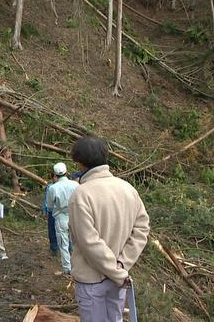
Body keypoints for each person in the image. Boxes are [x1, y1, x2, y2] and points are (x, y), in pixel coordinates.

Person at [68, 137, 150, 322]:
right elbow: (142, 229)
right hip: (118, 278)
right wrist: (122, 264)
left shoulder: (81, 195)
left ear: (79, 162)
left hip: (92, 280)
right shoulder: (128, 189)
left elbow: (89, 242)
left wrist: (115, 269)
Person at [47, 162, 79, 274]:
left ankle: (67, 267)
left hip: (61, 216)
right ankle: (78, 265)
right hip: (75, 215)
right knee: (76, 242)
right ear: (66, 172)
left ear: (55, 174)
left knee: (63, 243)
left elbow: (50, 206)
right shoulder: (75, 185)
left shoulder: (53, 188)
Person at [42, 174, 58, 255]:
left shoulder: (63, 185)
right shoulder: (50, 187)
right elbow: (46, 200)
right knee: (52, 230)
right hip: (51, 211)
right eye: (54, 177)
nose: (55, 178)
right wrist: (45, 211)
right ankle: (54, 248)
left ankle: (68, 248)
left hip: (62, 211)